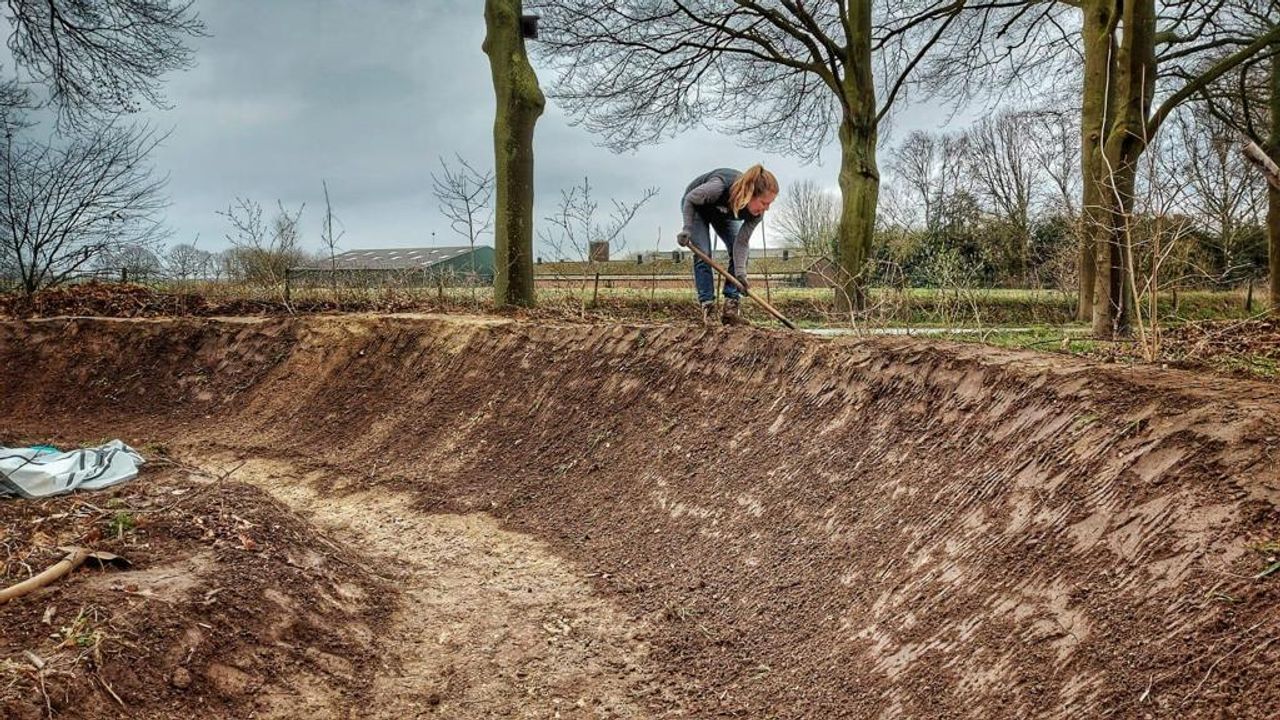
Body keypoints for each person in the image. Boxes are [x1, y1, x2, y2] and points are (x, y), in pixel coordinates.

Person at [676, 164, 779, 326]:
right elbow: (690, 199)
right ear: (750, 194)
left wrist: (740, 275)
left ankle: (731, 308)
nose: (767, 208)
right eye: (764, 203)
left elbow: (741, 243)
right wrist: (687, 229)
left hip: (723, 212)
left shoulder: (756, 214)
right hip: (696, 206)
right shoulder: (718, 187)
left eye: (769, 204)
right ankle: (708, 306)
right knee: (703, 253)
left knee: (740, 253)